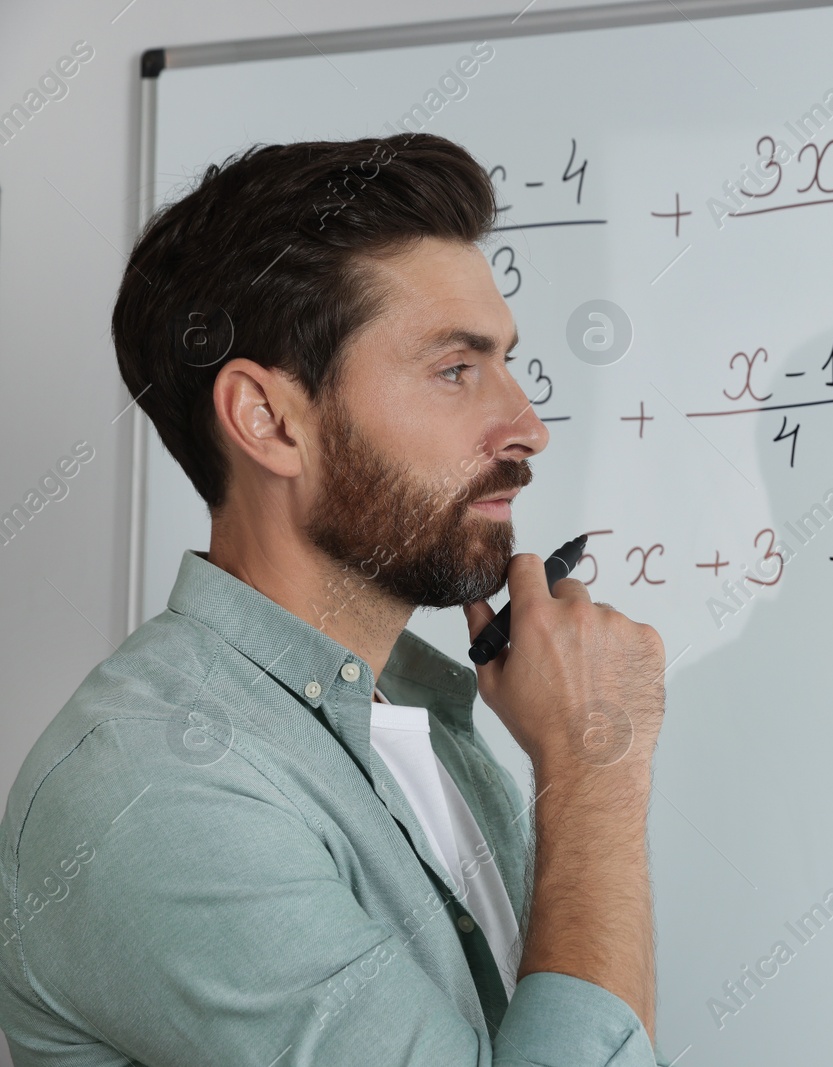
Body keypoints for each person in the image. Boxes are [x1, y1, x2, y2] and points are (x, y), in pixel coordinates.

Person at [0, 133, 670, 1066]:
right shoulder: (153, 788)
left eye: (506, 362)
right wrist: (598, 766)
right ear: (269, 420)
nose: (530, 426)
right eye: (455, 368)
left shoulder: (427, 719)